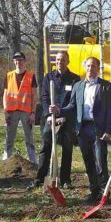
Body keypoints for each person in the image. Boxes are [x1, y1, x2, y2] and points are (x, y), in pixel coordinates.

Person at [49, 57, 111, 203]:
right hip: (82, 129)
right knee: (88, 161)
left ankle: (105, 193)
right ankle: (94, 191)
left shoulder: (107, 87)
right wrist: (59, 110)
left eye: (93, 66)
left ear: (98, 68)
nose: (90, 69)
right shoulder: (78, 86)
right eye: (88, 66)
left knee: (100, 161)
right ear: (84, 67)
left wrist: (109, 131)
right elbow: (72, 106)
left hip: (98, 129)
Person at [31, 51, 80, 189]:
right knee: (45, 146)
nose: (60, 62)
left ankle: (65, 180)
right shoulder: (49, 77)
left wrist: (64, 115)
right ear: (55, 61)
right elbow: (45, 97)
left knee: (67, 148)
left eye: (63, 60)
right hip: (51, 118)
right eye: (58, 60)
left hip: (67, 118)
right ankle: (40, 178)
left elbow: (74, 100)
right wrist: (48, 116)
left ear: (68, 61)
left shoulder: (75, 79)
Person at [3, 52, 38, 164]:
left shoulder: (31, 76)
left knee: (29, 138)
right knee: (9, 138)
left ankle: (33, 162)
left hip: (26, 112)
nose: (19, 62)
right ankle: (6, 161)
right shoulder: (8, 76)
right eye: (16, 60)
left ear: (25, 61)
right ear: (14, 62)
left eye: (21, 60)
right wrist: (6, 111)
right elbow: (5, 95)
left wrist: (33, 113)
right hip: (11, 112)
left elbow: (34, 95)